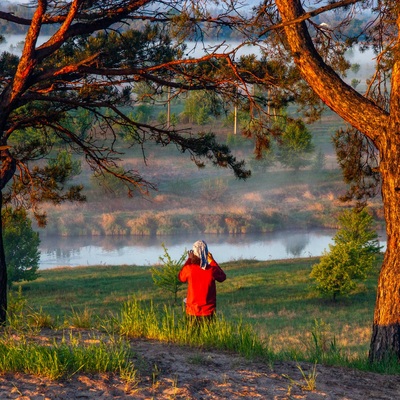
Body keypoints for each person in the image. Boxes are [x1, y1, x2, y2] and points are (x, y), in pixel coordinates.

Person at [178, 240, 226, 323]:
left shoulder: (189, 269)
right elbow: (222, 277)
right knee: (208, 335)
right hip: (208, 311)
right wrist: (212, 261)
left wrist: (189, 259)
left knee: (192, 335)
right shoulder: (211, 270)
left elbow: (181, 277)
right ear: (206, 253)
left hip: (192, 311)